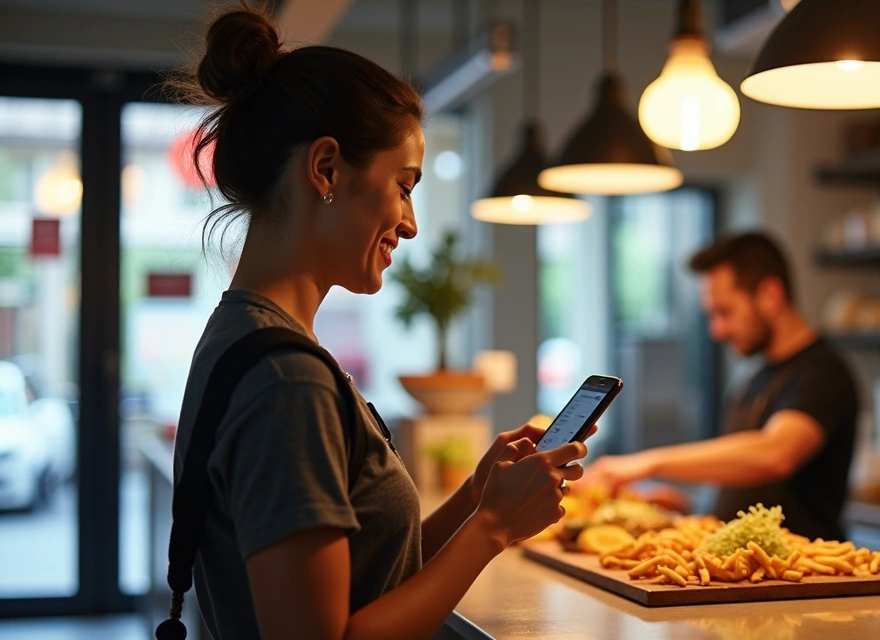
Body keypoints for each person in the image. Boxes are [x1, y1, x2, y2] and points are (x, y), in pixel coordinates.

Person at [167, 5, 585, 639]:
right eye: (404, 185)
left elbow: (369, 576)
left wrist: (475, 499)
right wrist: (493, 528)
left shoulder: (246, 337)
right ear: (326, 170)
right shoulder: (287, 379)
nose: (411, 224)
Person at [582, 232, 858, 541]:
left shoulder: (821, 373)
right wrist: (692, 506)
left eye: (725, 312)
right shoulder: (756, 378)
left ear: (770, 295)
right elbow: (749, 488)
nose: (717, 330)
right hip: (742, 560)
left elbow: (775, 453)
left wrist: (649, 462)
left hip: (800, 564)